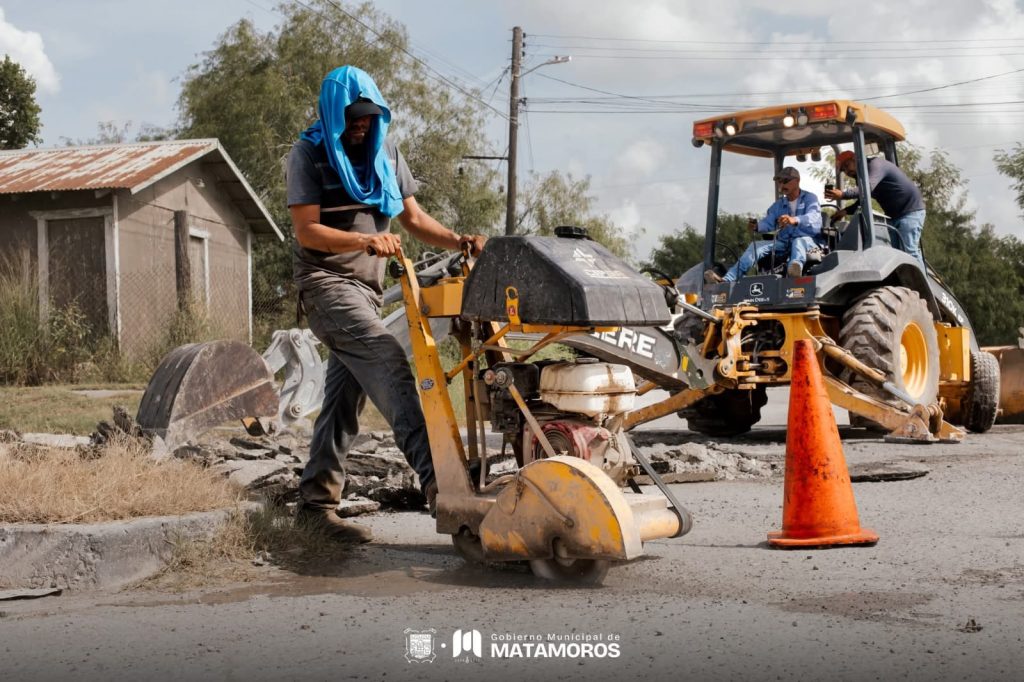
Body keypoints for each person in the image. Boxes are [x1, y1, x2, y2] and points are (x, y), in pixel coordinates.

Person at [286, 65, 485, 542]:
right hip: (325, 284)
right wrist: (365, 243)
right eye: (353, 118)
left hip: (366, 293)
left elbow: (413, 218)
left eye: (369, 117)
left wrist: (461, 240)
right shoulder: (309, 153)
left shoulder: (385, 150)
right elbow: (307, 231)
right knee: (388, 360)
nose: (361, 125)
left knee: (341, 401)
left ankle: (314, 508)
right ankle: (442, 486)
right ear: (334, 115)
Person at [705, 167, 823, 283]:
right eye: (780, 182)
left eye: (785, 181)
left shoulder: (810, 198)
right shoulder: (778, 205)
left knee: (799, 242)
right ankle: (727, 279)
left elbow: (814, 217)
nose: (782, 185)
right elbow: (768, 222)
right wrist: (757, 226)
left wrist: (794, 220)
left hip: (809, 242)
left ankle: (794, 271)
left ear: (797, 180)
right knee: (755, 246)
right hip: (784, 243)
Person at [824, 150, 926, 266]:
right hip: (895, 216)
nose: (847, 171)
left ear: (856, 158)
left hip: (910, 210)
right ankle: (906, 282)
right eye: (844, 170)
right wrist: (845, 211)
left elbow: (867, 189)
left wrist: (843, 194)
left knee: (909, 251)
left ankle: (920, 284)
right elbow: (863, 199)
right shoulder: (860, 177)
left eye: (847, 166)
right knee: (898, 254)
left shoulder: (875, 165)